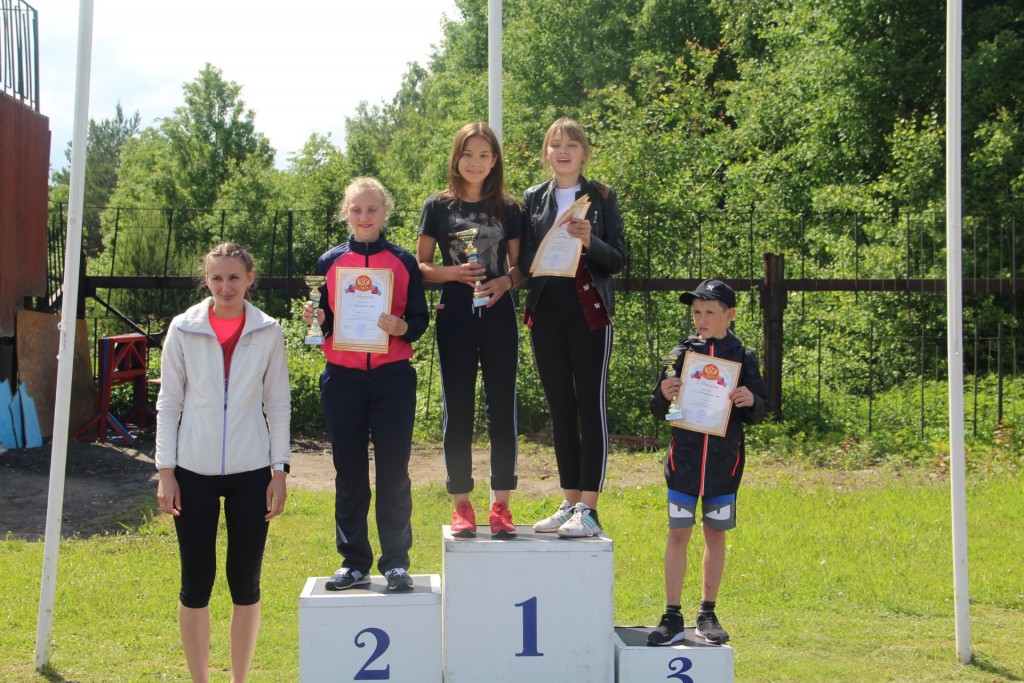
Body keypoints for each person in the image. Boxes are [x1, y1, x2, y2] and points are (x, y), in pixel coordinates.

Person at [155, 242, 291, 683]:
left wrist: (279, 470)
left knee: (245, 582)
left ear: (250, 278)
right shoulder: (183, 328)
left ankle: (239, 679)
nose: (225, 287)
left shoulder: (268, 330)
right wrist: (166, 471)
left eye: (234, 277)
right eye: (216, 278)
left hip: (252, 472)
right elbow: (169, 403)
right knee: (196, 582)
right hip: (191, 471)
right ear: (206, 280)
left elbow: (278, 403)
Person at [304, 177, 428, 592]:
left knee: (394, 473)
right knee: (350, 474)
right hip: (343, 379)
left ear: (384, 212)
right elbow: (326, 322)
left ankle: (395, 563)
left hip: (393, 378)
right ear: (346, 212)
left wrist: (402, 327)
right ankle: (354, 562)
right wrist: (319, 320)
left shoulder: (403, 261)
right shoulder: (329, 262)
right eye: (356, 209)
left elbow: (420, 319)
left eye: (372, 209)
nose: (364, 217)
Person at [416, 122, 525, 539]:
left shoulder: (509, 208)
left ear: (494, 160)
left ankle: (501, 505)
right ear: (456, 158)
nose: (475, 162)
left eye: (484, 155)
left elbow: (520, 267)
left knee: (502, 411)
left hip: (498, 313)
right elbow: (421, 265)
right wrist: (453, 273)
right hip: (456, 313)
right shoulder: (437, 206)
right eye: (468, 154)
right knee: (457, 411)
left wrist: (505, 282)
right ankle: (461, 503)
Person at [519, 117, 625, 538]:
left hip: (589, 312)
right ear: (546, 153)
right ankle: (569, 501)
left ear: (585, 152)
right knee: (560, 408)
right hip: (546, 311)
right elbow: (524, 257)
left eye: (572, 144)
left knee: (589, 408)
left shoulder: (602, 196)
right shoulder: (532, 198)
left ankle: (589, 509)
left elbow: (618, 259)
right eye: (555, 144)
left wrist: (588, 241)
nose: (563, 151)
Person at [646, 279, 768, 646]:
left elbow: (760, 409)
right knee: (678, 533)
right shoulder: (678, 354)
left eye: (709, 312)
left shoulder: (744, 357)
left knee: (715, 535)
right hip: (683, 463)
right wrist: (663, 395)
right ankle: (671, 615)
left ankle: (707, 613)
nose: (701, 319)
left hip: (722, 467)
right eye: (696, 312)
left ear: (729, 315)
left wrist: (751, 400)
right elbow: (662, 410)